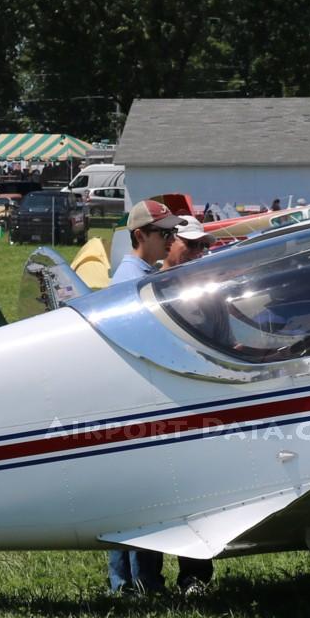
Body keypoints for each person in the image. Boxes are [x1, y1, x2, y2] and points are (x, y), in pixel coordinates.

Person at [106, 200, 181, 595]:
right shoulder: (131, 283)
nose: (172, 240)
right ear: (141, 236)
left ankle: (130, 584)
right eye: (164, 233)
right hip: (134, 403)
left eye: (172, 233)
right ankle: (137, 584)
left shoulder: (142, 274)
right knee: (145, 498)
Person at [158, 215, 219, 596]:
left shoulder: (207, 291)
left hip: (198, 406)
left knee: (200, 491)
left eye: (203, 246)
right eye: (190, 245)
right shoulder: (148, 286)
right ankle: (140, 581)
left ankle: (193, 577)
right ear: (171, 243)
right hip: (160, 407)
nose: (198, 252)